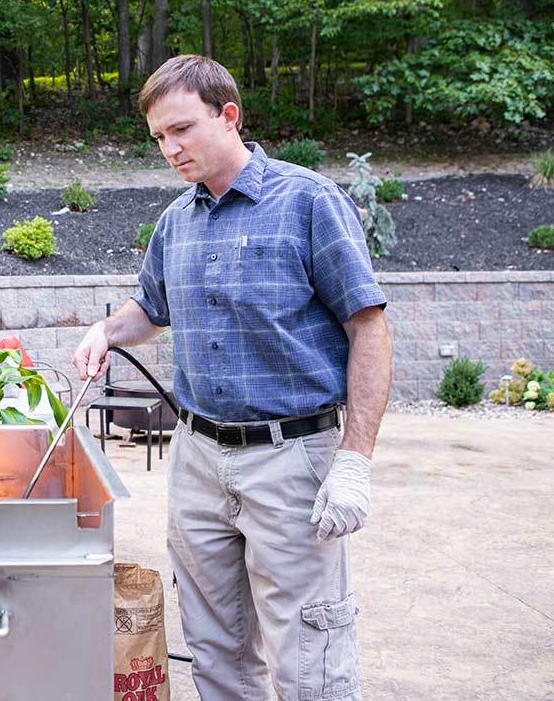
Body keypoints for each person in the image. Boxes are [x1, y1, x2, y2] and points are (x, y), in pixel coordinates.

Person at [71, 55, 392, 701]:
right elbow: (150, 311)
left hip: (291, 458)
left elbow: (369, 329)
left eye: (183, 129)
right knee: (215, 647)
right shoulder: (175, 223)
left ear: (229, 116)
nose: (170, 148)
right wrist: (106, 330)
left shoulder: (308, 203)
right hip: (197, 461)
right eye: (160, 137)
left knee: (310, 652)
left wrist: (354, 460)